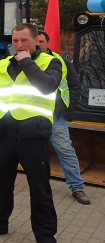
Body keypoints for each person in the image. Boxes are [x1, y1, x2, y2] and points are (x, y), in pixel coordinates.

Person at [0, 23, 62, 243]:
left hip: (33, 135)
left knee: (40, 188)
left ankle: (46, 237)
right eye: (15, 41)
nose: (18, 45)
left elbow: (47, 87)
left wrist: (26, 61)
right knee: (1, 183)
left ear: (36, 41)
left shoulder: (51, 62)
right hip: (5, 133)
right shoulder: (4, 63)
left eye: (24, 40)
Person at [36, 31, 90, 205]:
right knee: (32, 152)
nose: (38, 45)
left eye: (41, 41)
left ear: (48, 43)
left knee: (65, 150)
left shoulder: (62, 62)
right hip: (33, 116)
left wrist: (68, 110)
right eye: (35, 42)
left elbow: (75, 86)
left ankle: (77, 187)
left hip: (55, 117)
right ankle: (36, 187)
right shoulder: (26, 63)